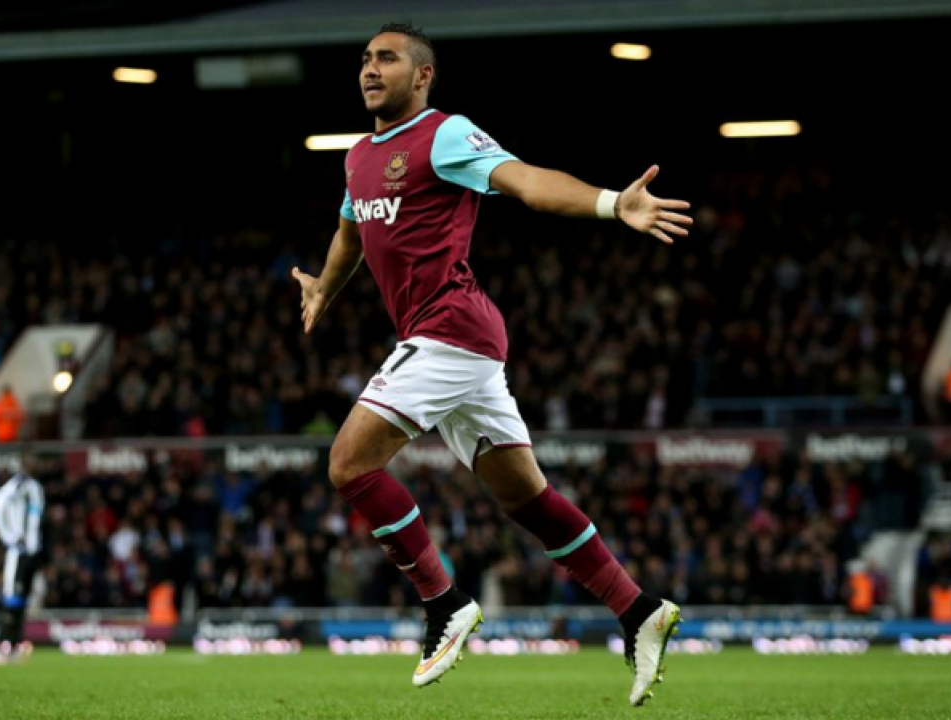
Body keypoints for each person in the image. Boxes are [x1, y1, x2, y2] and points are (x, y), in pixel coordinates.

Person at [290, 23, 691, 706]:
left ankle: (442, 601)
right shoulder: (358, 157)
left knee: (349, 464)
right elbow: (350, 232)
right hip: (455, 344)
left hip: (451, 330)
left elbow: (527, 181)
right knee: (525, 500)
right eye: (364, 59)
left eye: (386, 58)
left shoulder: (445, 135)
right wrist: (326, 287)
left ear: (422, 76)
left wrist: (607, 203)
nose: (369, 68)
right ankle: (637, 609)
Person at [0, 457, 45, 664]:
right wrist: (8, 536)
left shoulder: (35, 487)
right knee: (12, 600)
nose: (33, 465)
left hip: (32, 553)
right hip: (17, 552)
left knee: (21, 602)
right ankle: (0, 647)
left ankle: (15, 647)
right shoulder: (18, 484)